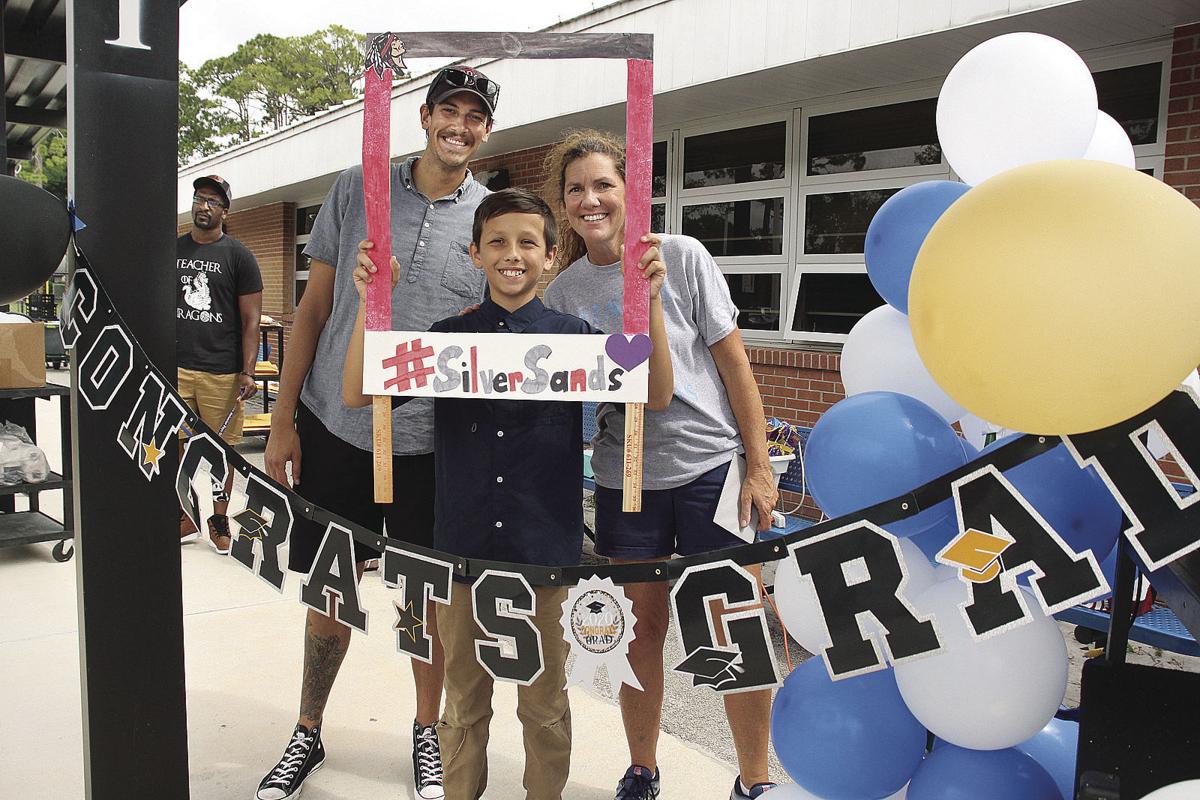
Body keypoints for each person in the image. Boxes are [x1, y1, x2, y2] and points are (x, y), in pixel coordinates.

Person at [343, 188, 671, 800]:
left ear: (550, 257)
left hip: (542, 554)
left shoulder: (575, 338)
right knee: (463, 702)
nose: (512, 254)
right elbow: (362, 391)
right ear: (475, 253)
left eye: (528, 243)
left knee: (543, 703)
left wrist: (650, 302)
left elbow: (651, 394)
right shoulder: (448, 338)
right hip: (461, 552)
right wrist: (369, 303)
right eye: (497, 242)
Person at [257, 66, 499, 800]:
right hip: (338, 428)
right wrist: (284, 423)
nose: (460, 125)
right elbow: (312, 310)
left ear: (487, 131)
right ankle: (307, 731)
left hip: (433, 444)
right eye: (448, 110)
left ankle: (426, 732)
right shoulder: (355, 189)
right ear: (423, 117)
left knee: (426, 598)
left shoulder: (492, 216)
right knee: (329, 590)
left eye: (475, 116)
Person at [540, 130, 780, 800]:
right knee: (638, 632)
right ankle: (642, 769)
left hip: (711, 469)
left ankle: (754, 781)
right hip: (626, 479)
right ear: (564, 203)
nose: (591, 200)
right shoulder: (563, 296)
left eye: (603, 185)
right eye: (576, 189)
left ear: (629, 192)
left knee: (732, 623)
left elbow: (735, 366)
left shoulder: (682, 256)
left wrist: (758, 466)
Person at [177, 174, 262, 554]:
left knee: (220, 452)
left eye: (212, 201)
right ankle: (183, 512)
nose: (203, 206)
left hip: (222, 373)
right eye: (199, 198)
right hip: (176, 369)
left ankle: (218, 518)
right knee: (173, 445)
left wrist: (248, 370)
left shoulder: (238, 256)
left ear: (225, 211)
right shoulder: (173, 250)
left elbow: (251, 320)